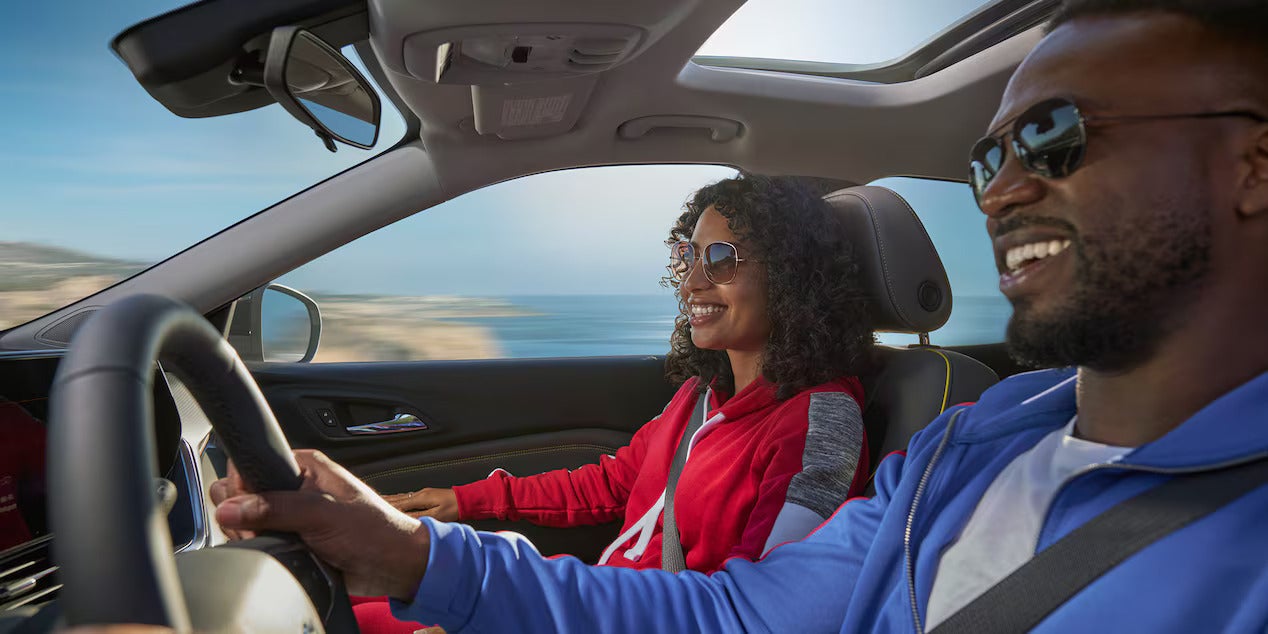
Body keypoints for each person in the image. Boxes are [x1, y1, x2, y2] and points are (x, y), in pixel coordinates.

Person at [211, 1, 1268, 631]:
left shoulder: (830, 426)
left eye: (1053, 134)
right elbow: (727, 606)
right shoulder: (961, 451)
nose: (999, 191)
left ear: (1252, 164)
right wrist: (415, 542)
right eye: (987, 158)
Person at [351, 174, 874, 630]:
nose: (691, 284)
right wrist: (467, 501)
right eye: (689, 257)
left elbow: (760, 609)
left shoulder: (817, 423)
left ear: (789, 275)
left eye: (719, 259)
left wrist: (515, 613)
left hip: (624, 619)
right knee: (345, 592)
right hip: (596, 606)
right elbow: (614, 483)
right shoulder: (701, 396)